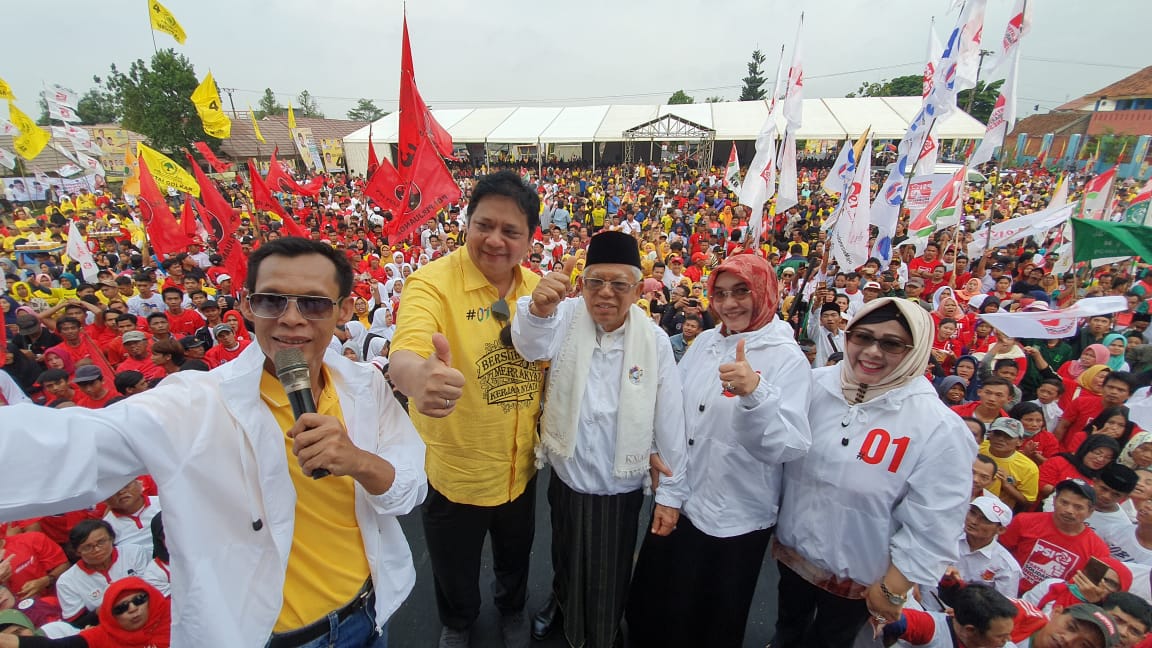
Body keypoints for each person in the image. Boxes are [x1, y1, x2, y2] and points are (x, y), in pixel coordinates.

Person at [0, 238, 428, 646]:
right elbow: (70, 447)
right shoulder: (193, 403)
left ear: (344, 310)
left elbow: (408, 491)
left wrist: (357, 461)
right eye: (271, 301)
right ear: (247, 305)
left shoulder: (366, 386)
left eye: (314, 303)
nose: (292, 318)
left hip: (369, 613)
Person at [388, 171, 545, 648]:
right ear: (467, 222)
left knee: (516, 555)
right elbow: (407, 351)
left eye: (510, 231)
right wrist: (418, 379)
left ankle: (511, 609)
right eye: (484, 225)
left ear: (530, 238)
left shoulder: (537, 291)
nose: (494, 240)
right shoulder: (431, 284)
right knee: (453, 562)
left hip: (520, 464)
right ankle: (458, 621)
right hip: (455, 468)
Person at [511, 231, 689, 648]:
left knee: (608, 571)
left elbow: (670, 420)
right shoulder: (565, 314)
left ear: (638, 288)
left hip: (618, 482)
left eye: (618, 284)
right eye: (596, 282)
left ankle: (601, 634)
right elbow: (529, 344)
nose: (605, 294)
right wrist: (538, 309)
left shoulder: (654, 340)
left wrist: (671, 496)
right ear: (582, 283)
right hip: (568, 472)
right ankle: (562, 603)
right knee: (564, 552)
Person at [627, 254, 812, 648]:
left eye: (742, 292)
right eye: (721, 294)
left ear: (765, 292)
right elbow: (673, 404)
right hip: (681, 500)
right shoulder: (708, 341)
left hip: (735, 518)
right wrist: (657, 451)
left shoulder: (787, 358)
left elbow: (788, 445)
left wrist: (756, 393)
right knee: (658, 605)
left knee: (710, 618)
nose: (729, 304)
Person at [772, 298, 976, 647]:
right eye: (862, 337)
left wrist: (896, 586)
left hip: (860, 584)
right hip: (794, 558)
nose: (872, 351)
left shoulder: (937, 427)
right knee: (787, 632)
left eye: (891, 343)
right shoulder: (815, 386)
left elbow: (936, 520)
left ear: (916, 350)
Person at [999, 479, 1112, 595]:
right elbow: (999, 555)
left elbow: (1087, 591)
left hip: (1051, 606)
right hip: (1007, 590)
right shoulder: (1023, 521)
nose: (1069, 510)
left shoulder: (1099, 550)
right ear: (1054, 501)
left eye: (1078, 507)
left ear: (1090, 512)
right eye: (1064, 503)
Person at [0, 577, 170, 648]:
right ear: (110, 615)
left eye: (139, 600)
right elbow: (53, 647)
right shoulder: (101, 637)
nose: (133, 608)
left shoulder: (177, 615)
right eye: (121, 608)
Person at [880, 583, 1017, 648]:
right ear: (971, 630)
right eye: (1000, 636)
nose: (1008, 639)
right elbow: (880, 616)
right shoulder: (930, 628)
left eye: (1008, 633)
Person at [979, 416, 1040, 509]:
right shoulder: (977, 448)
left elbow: (1028, 502)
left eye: (1008, 436)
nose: (1000, 439)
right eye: (997, 434)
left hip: (998, 512)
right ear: (989, 435)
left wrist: (1007, 486)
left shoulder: (1028, 468)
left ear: (1020, 441)